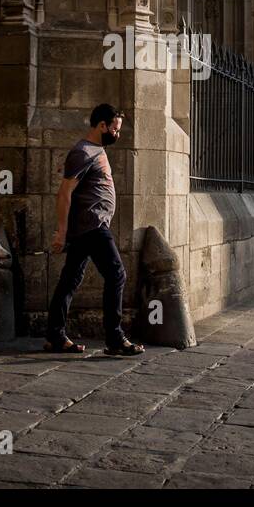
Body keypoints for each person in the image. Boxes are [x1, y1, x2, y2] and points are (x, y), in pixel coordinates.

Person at [45, 103, 145, 356]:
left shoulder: (96, 150)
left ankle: (55, 336)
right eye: (115, 129)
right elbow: (64, 193)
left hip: (90, 226)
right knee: (116, 275)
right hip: (92, 225)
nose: (117, 134)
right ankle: (115, 338)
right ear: (102, 125)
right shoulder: (83, 152)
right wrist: (61, 232)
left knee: (70, 279)